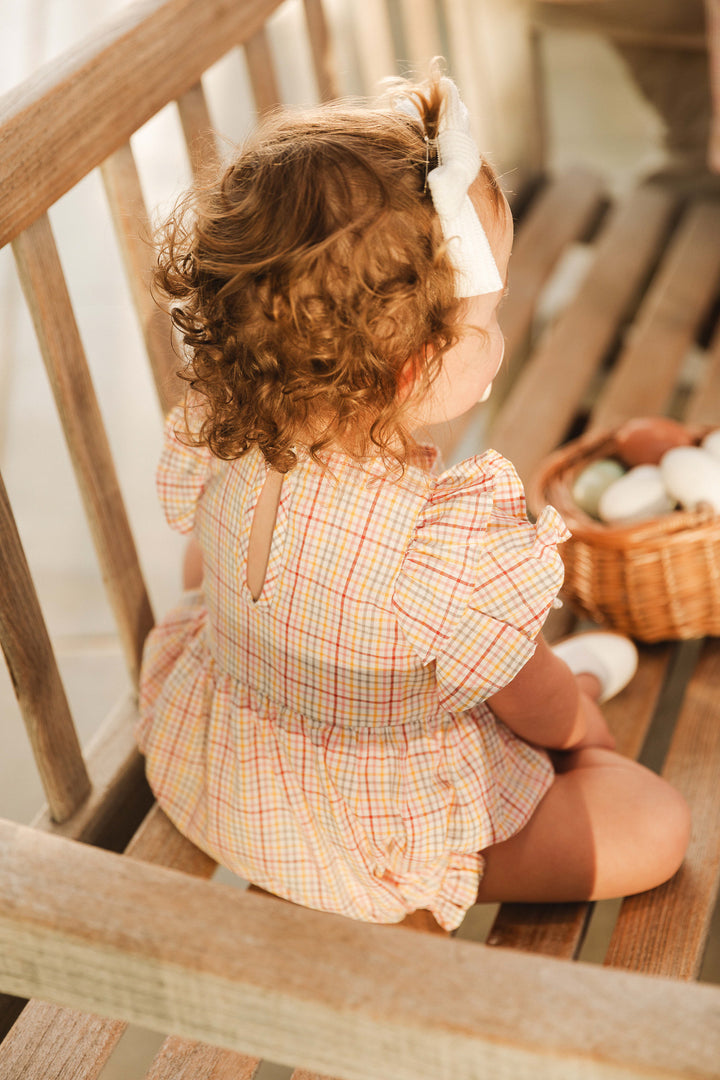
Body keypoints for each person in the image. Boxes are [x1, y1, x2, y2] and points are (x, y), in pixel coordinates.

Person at [136, 72, 690, 931]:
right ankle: (575, 717)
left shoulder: (225, 427)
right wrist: (578, 728)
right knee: (656, 825)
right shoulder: (436, 544)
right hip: (368, 831)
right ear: (411, 367)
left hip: (221, 773)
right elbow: (525, 692)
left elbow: (200, 567)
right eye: (492, 315)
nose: (501, 333)